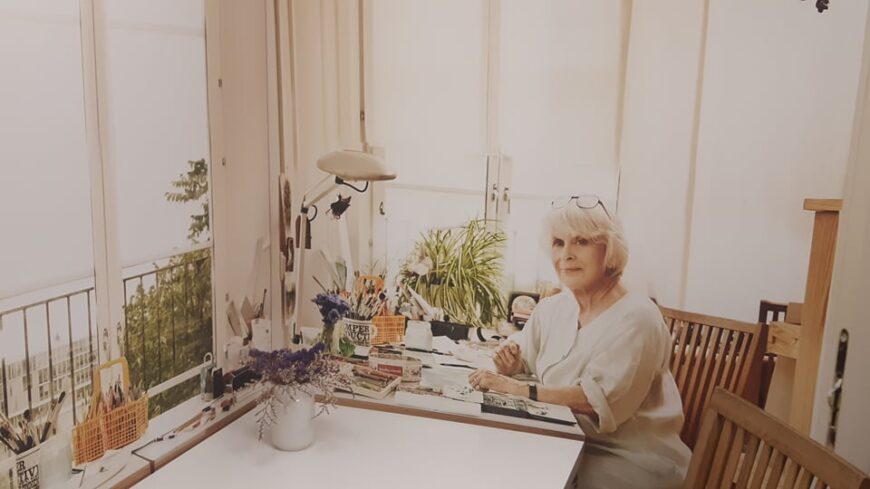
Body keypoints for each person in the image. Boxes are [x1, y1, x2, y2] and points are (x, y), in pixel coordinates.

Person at [468, 195, 690, 489]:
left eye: (581, 241)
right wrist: (512, 364)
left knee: (508, 470)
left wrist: (514, 388)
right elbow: (525, 357)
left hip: (625, 459)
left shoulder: (638, 317)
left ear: (610, 249)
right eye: (558, 243)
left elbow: (595, 401)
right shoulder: (553, 308)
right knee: (486, 455)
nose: (566, 254)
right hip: (564, 440)